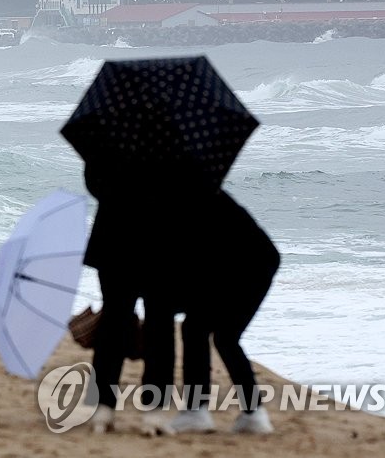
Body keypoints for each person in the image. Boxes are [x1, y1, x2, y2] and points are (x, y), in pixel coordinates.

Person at [81, 160, 201, 434]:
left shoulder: (114, 132)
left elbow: (94, 183)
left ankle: (103, 409)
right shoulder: (180, 134)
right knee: (160, 326)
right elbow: (195, 188)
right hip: (164, 240)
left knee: (115, 320)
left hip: (115, 238)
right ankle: (154, 413)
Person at [168, 191, 280, 434]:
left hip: (244, 265)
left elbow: (197, 266)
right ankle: (253, 415)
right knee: (221, 336)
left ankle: (198, 411)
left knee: (204, 330)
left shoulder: (188, 201)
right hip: (246, 262)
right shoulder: (194, 193)